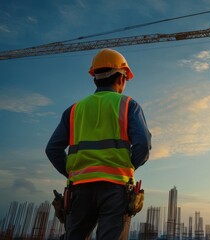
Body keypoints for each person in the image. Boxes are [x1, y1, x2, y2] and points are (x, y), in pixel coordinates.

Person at [46, 48, 152, 240]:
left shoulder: (74, 110)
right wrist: (126, 167)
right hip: (115, 189)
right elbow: (143, 146)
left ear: (95, 78)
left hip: (79, 190)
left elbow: (52, 149)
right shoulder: (128, 105)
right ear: (121, 78)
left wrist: (73, 172)